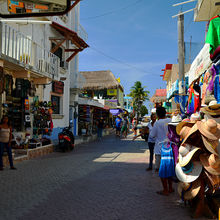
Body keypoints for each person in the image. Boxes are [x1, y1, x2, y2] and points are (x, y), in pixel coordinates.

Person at [149, 107, 171, 172]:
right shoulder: (170, 120)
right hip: (169, 148)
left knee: (159, 169)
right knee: (168, 168)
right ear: (165, 113)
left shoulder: (157, 123)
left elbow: (152, 135)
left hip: (159, 149)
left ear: (157, 114)